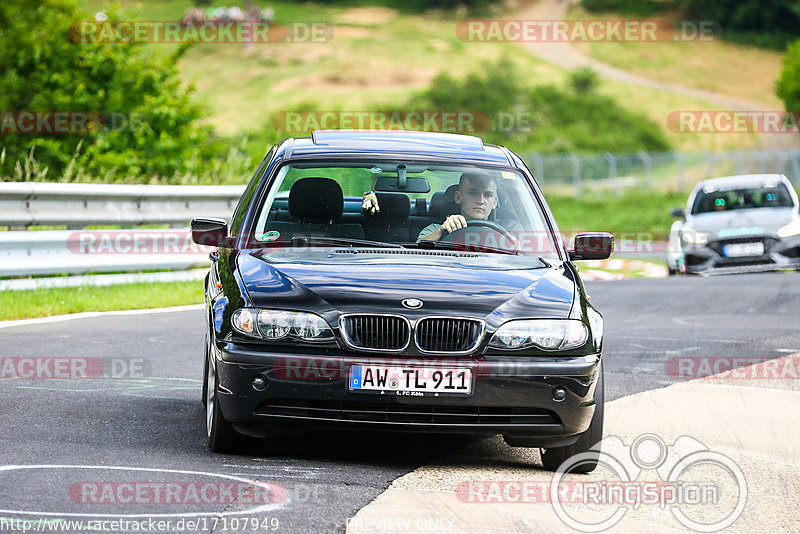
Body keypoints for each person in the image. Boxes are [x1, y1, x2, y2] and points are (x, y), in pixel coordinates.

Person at [417, 172, 498, 242]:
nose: (480, 201)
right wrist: (442, 231)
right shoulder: (436, 229)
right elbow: (416, 253)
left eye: (488, 195)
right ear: (458, 197)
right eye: (473, 193)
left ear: (494, 202)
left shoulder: (503, 233)